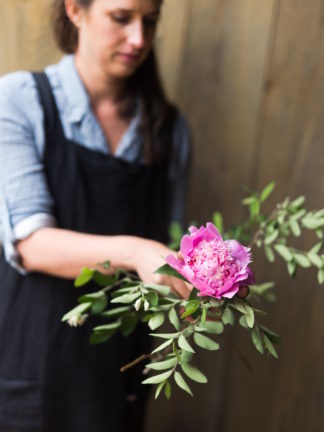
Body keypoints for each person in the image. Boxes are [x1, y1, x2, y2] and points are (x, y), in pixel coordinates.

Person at [0, 0, 191, 431]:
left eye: (150, 21)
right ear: (75, 10)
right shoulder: (20, 101)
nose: (139, 39)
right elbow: (30, 244)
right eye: (121, 18)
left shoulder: (169, 130)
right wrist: (138, 252)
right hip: (31, 365)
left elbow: (175, 243)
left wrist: (200, 287)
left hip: (117, 372)